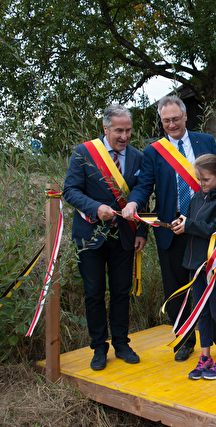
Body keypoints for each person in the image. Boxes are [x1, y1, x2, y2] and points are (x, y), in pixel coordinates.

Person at [122, 95, 216, 362]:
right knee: (177, 288)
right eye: (166, 120)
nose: (171, 124)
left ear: (186, 116)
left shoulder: (206, 141)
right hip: (171, 227)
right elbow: (145, 186)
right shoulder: (154, 151)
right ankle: (185, 340)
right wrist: (133, 202)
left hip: (203, 226)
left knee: (209, 284)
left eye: (176, 119)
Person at [63, 104, 147, 371]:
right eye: (119, 130)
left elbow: (143, 194)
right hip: (90, 236)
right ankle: (99, 347)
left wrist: (142, 231)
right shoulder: (83, 152)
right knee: (94, 293)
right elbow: (70, 191)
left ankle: (121, 343)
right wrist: (95, 208)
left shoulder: (137, 156)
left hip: (125, 235)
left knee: (122, 292)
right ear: (105, 128)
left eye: (128, 130)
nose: (124, 136)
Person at [171, 154, 216, 380]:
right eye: (199, 179)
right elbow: (193, 224)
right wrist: (181, 224)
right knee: (202, 312)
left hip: (213, 265)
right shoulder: (197, 198)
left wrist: (189, 224)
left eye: (206, 179)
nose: (201, 184)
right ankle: (206, 356)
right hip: (194, 263)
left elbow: (214, 227)